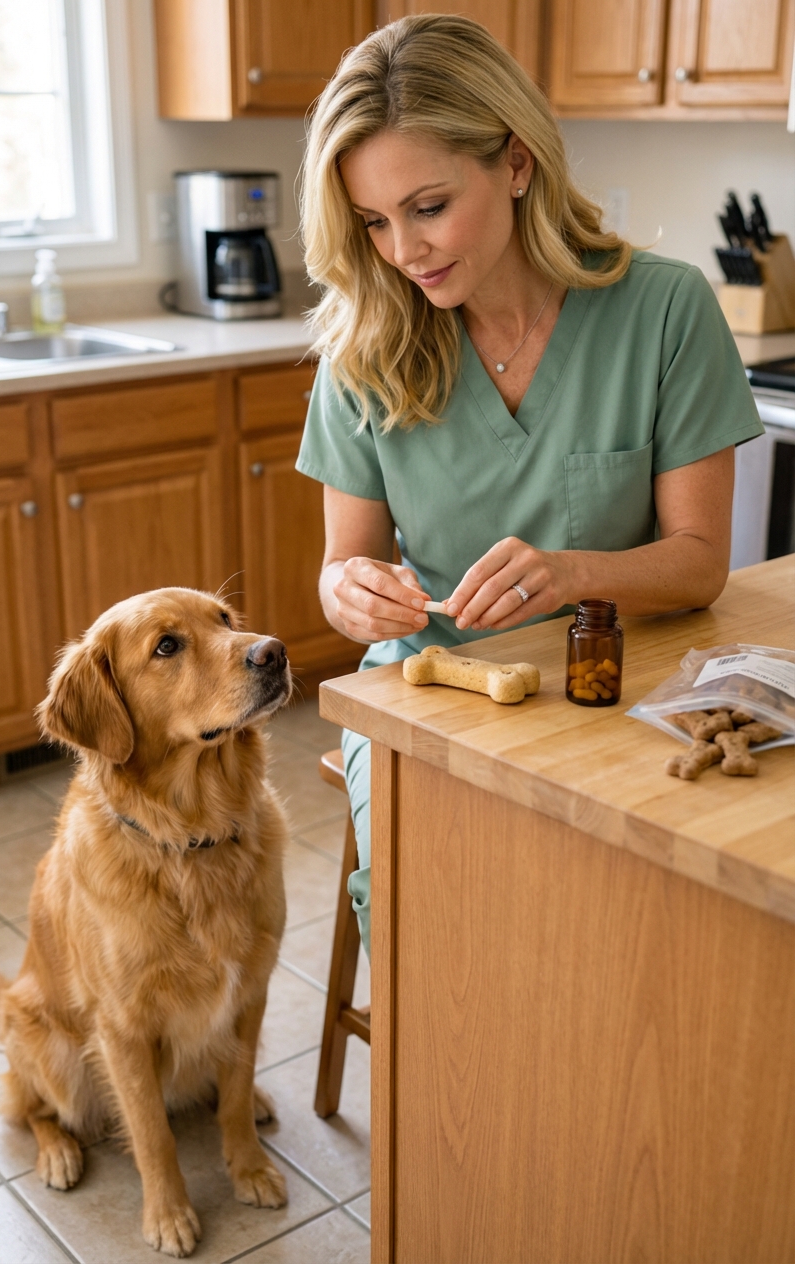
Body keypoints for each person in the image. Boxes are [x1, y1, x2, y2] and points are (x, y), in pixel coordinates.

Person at [295, 14, 763, 960]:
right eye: (374, 223)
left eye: (428, 207)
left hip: (613, 688)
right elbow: (343, 568)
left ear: (515, 163)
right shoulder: (363, 350)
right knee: (438, 925)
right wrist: (347, 593)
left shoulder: (665, 311)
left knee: (630, 933)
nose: (404, 252)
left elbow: (700, 565)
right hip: (430, 698)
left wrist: (570, 572)